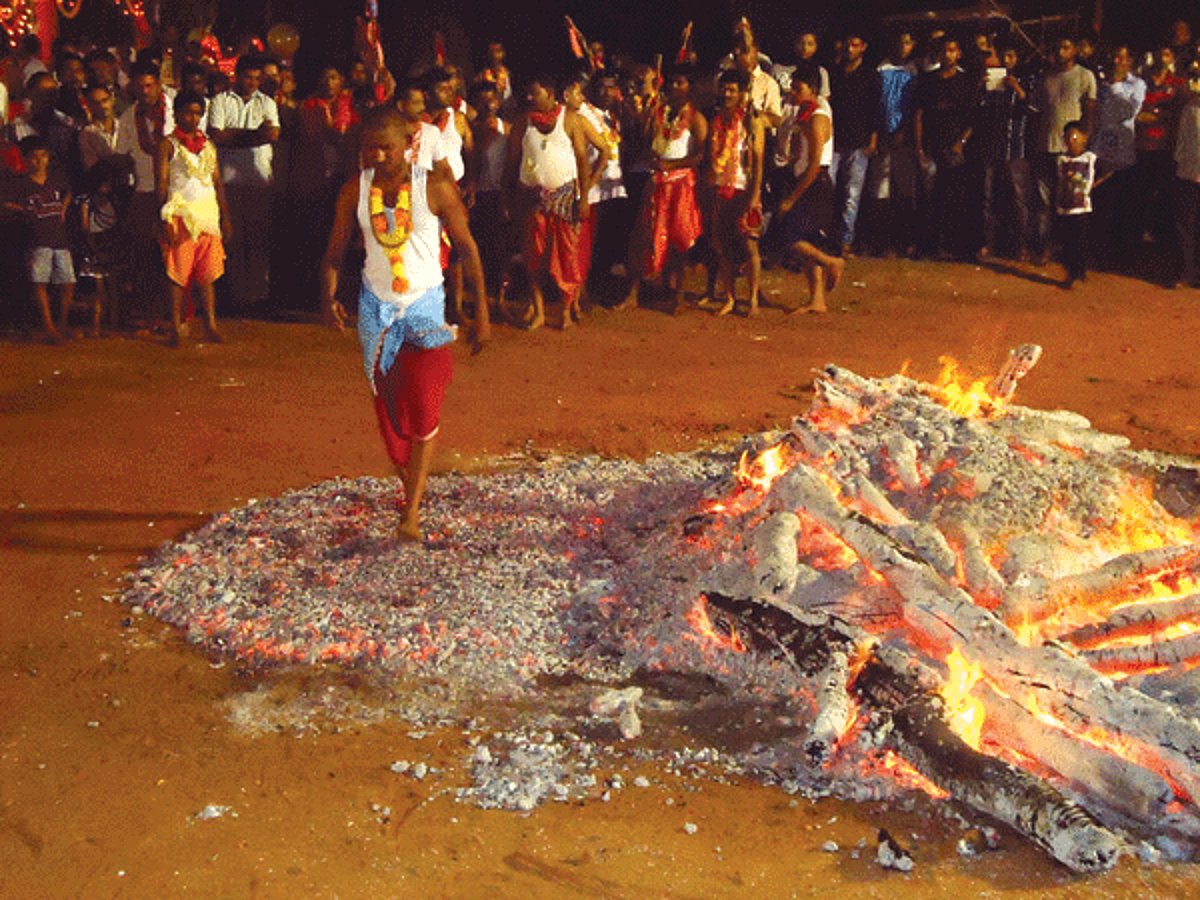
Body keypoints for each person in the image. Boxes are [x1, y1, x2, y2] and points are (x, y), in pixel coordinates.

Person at [320, 106, 488, 542]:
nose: (378, 156)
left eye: (386, 147)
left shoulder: (432, 187)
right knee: (390, 415)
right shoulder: (354, 191)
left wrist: (480, 314)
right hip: (376, 311)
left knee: (424, 407)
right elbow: (335, 252)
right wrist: (328, 296)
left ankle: (410, 511)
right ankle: (411, 483)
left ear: (407, 146)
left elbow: (469, 249)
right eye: (369, 148)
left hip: (425, 310)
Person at [504, 74, 607, 329]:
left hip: (565, 197)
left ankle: (564, 311)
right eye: (529, 94)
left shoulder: (570, 119)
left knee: (567, 256)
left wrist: (583, 197)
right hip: (532, 197)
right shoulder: (522, 122)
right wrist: (507, 196)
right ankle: (538, 311)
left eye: (535, 93)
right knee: (533, 256)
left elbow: (583, 160)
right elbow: (511, 160)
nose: (530, 98)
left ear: (550, 94)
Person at [621, 64, 705, 312]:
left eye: (681, 82)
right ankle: (633, 293)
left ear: (690, 87)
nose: (675, 87)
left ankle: (676, 295)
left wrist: (672, 163)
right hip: (656, 181)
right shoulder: (660, 113)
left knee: (679, 240)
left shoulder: (696, 119)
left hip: (680, 185)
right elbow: (648, 142)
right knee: (643, 235)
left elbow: (700, 155)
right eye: (672, 82)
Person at [206, 55, 280, 314]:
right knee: (233, 239)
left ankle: (258, 296)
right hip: (229, 180)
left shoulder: (267, 102)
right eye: (248, 77)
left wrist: (234, 135)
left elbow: (273, 134)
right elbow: (217, 137)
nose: (253, 83)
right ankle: (237, 297)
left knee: (259, 239)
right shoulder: (220, 101)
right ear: (237, 76)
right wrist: (256, 135)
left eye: (257, 78)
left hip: (260, 179)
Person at [155, 91, 230, 346]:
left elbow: (218, 183)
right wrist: (163, 216)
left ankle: (210, 324)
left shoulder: (208, 145)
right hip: (180, 214)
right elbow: (162, 184)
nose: (193, 118)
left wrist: (225, 217)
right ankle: (176, 326)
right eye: (188, 112)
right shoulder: (168, 145)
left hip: (208, 215)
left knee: (208, 275)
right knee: (177, 274)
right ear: (176, 114)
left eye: (198, 113)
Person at [773, 60, 844, 313]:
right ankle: (817, 300)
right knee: (807, 240)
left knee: (790, 237)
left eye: (798, 87)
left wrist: (792, 197)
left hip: (814, 184)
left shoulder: (817, 118)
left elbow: (815, 164)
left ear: (812, 89)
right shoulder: (803, 115)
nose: (793, 92)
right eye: (792, 87)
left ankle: (831, 261)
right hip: (807, 180)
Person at [115, 60, 173, 324]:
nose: (146, 91)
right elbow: (122, 155)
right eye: (141, 87)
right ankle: (149, 310)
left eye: (150, 85)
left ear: (159, 84)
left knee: (174, 253)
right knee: (144, 250)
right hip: (144, 190)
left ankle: (174, 311)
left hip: (176, 190)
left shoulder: (175, 108)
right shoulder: (128, 117)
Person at [1031, 37, 1097, 264]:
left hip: (1070, 150)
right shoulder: (1047, 76)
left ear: (1076, 50)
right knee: (1043, 201)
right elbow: (1037, 110)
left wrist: (1083, 142)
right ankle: (1045, 247)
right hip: (1045, 145)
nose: (1061, 51)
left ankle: (1070, 251)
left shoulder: (1085, 76)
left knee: (1071, 203)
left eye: (1066, 47)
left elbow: (1090, 111)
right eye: (1058, 46)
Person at [913, 35, 980, 260]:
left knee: (955, 198)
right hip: (931, 146)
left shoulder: (966, 81)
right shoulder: (927, 80)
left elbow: (973, 118)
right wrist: (920, 147)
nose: (948, 54)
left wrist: (961, 143)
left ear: (958, 53)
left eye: (952, 50)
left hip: (955, 148)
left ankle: (955, 247)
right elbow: (919, 115)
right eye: (944, 50)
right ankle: (930, 246)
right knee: (930, 198)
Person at [705, 67, 765, 317]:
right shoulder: (717, 120)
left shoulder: (751, 121)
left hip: (744, 188)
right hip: (721, 186)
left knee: (749, 246)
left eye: (732, 90)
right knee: (723, 245)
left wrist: (754, 196)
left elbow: (759, 161)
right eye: (725, 89)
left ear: (742, 94)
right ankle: (730, 296)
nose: (727, 94)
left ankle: (752, 299)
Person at [4, 136, 74, 342]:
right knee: (40, 282)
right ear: (26, 160)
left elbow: (68, 193)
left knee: (67, 282)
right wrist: (23, 211)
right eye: (34, 157)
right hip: (37, 240)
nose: (39, 161)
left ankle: (61, 324)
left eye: (43, 156)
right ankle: (49, 327)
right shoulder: (21, 184)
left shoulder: (56, 180)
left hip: (59, 239)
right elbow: (6, 203)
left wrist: (64, 207)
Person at [1090, 46, 1145, 265]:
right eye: (1115, 55)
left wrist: (1113, 87)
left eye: (1122, 57)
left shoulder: (1137, 85)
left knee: (1123, 206)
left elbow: (1127, 111)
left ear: (1130, 61)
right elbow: (1097, 114)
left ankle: (1122, 255)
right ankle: (1100, 253)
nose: (1116, 60)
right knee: (1101, 204)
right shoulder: (1100, 83)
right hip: (1101, 150)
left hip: (1123, 152)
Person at [829, 31, 880, 257]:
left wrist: (873, 140)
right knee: (827, 189)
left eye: (855, 45)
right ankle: (824, 236)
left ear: (863, 48)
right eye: (847, 44)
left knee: (852, 194)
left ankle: (845, 240)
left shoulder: (870, 76)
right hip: (834, 141)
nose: (850, 49)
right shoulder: (835, 74)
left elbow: (876, 110)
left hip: (859, 142)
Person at [1055, 120, 1101, 290]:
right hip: (1064, 206)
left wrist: (1083, 183)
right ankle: (1071, 272)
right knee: (1067, 243)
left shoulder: (1090, 158)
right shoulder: (1061, 159)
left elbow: (1095, 177)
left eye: (1074, 137)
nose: (1071, 141)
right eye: (1067, 137)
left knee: (1079, 242)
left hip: (1081, 208)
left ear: (1084, 138)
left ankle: (1079, 273)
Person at [1173, 68, 1200, 289]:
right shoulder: (1190, 109)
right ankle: (1186, 271)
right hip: (1190, 174)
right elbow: (1182, 142)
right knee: (1187, 225)